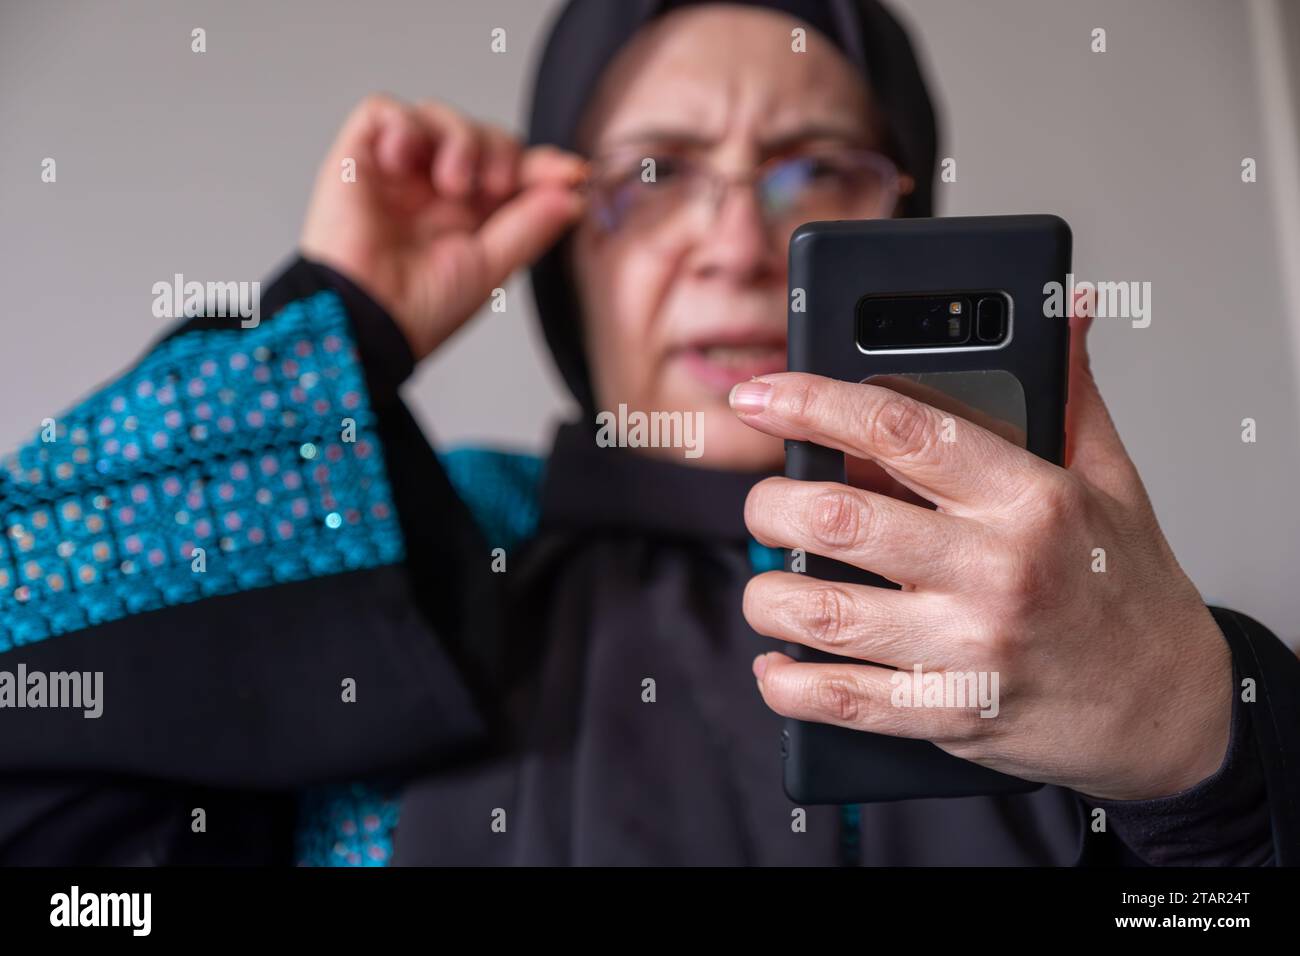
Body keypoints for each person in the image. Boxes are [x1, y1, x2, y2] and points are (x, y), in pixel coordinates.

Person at [1, 0, 1296, 866]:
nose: (737, 245)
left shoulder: (1060, 609)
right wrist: (330, 328)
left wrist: (1195, 735)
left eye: (817, 168)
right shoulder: (406, 559)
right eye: (655, 176)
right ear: (567, 247)